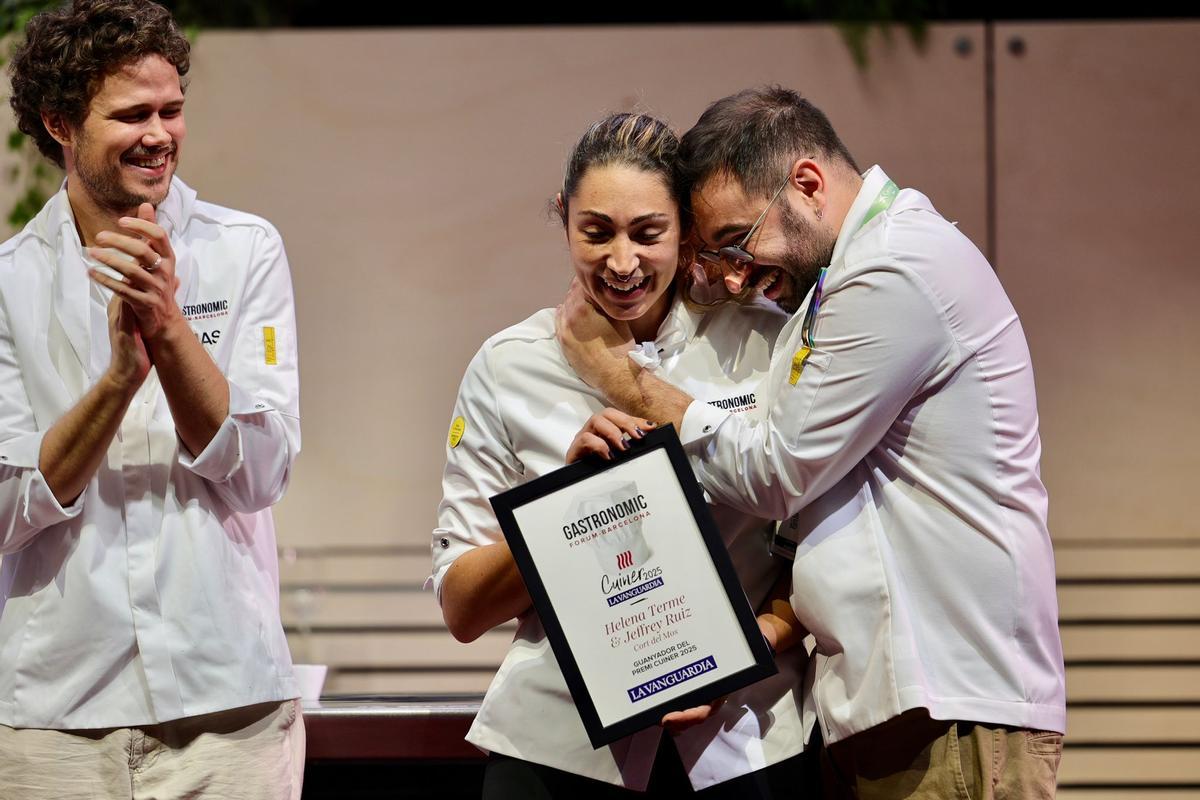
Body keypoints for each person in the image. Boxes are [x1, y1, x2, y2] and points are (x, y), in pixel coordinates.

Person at [558, 86, 1066, 799]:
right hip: (901, 710)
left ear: (806, 183)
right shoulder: (839, 280)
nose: (735, 275)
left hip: (952, 708)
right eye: (715, 255)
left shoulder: (895, 269)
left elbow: (774, 471)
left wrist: (622, 377)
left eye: (738, 241)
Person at [430, 113, 812, 798]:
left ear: (688, 231)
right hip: (559, 747)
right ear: (563, 218)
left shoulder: (763, 344)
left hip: (748, 738)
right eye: (597, 231)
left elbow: (813, 545)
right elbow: (462, 609)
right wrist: (568, 498)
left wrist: (746, 650)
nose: (623, 262)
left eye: (648, 232)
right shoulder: (507, 365)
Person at [0, 2, 303, 797]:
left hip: (230, 704)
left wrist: (168, 332)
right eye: (132, 114)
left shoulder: (244, 251)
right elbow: (3, 508)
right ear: (60, 123)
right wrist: (116, 383)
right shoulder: (8, 281)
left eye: (172, 110)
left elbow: (264, 472)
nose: (160, 134)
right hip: (53, 717)